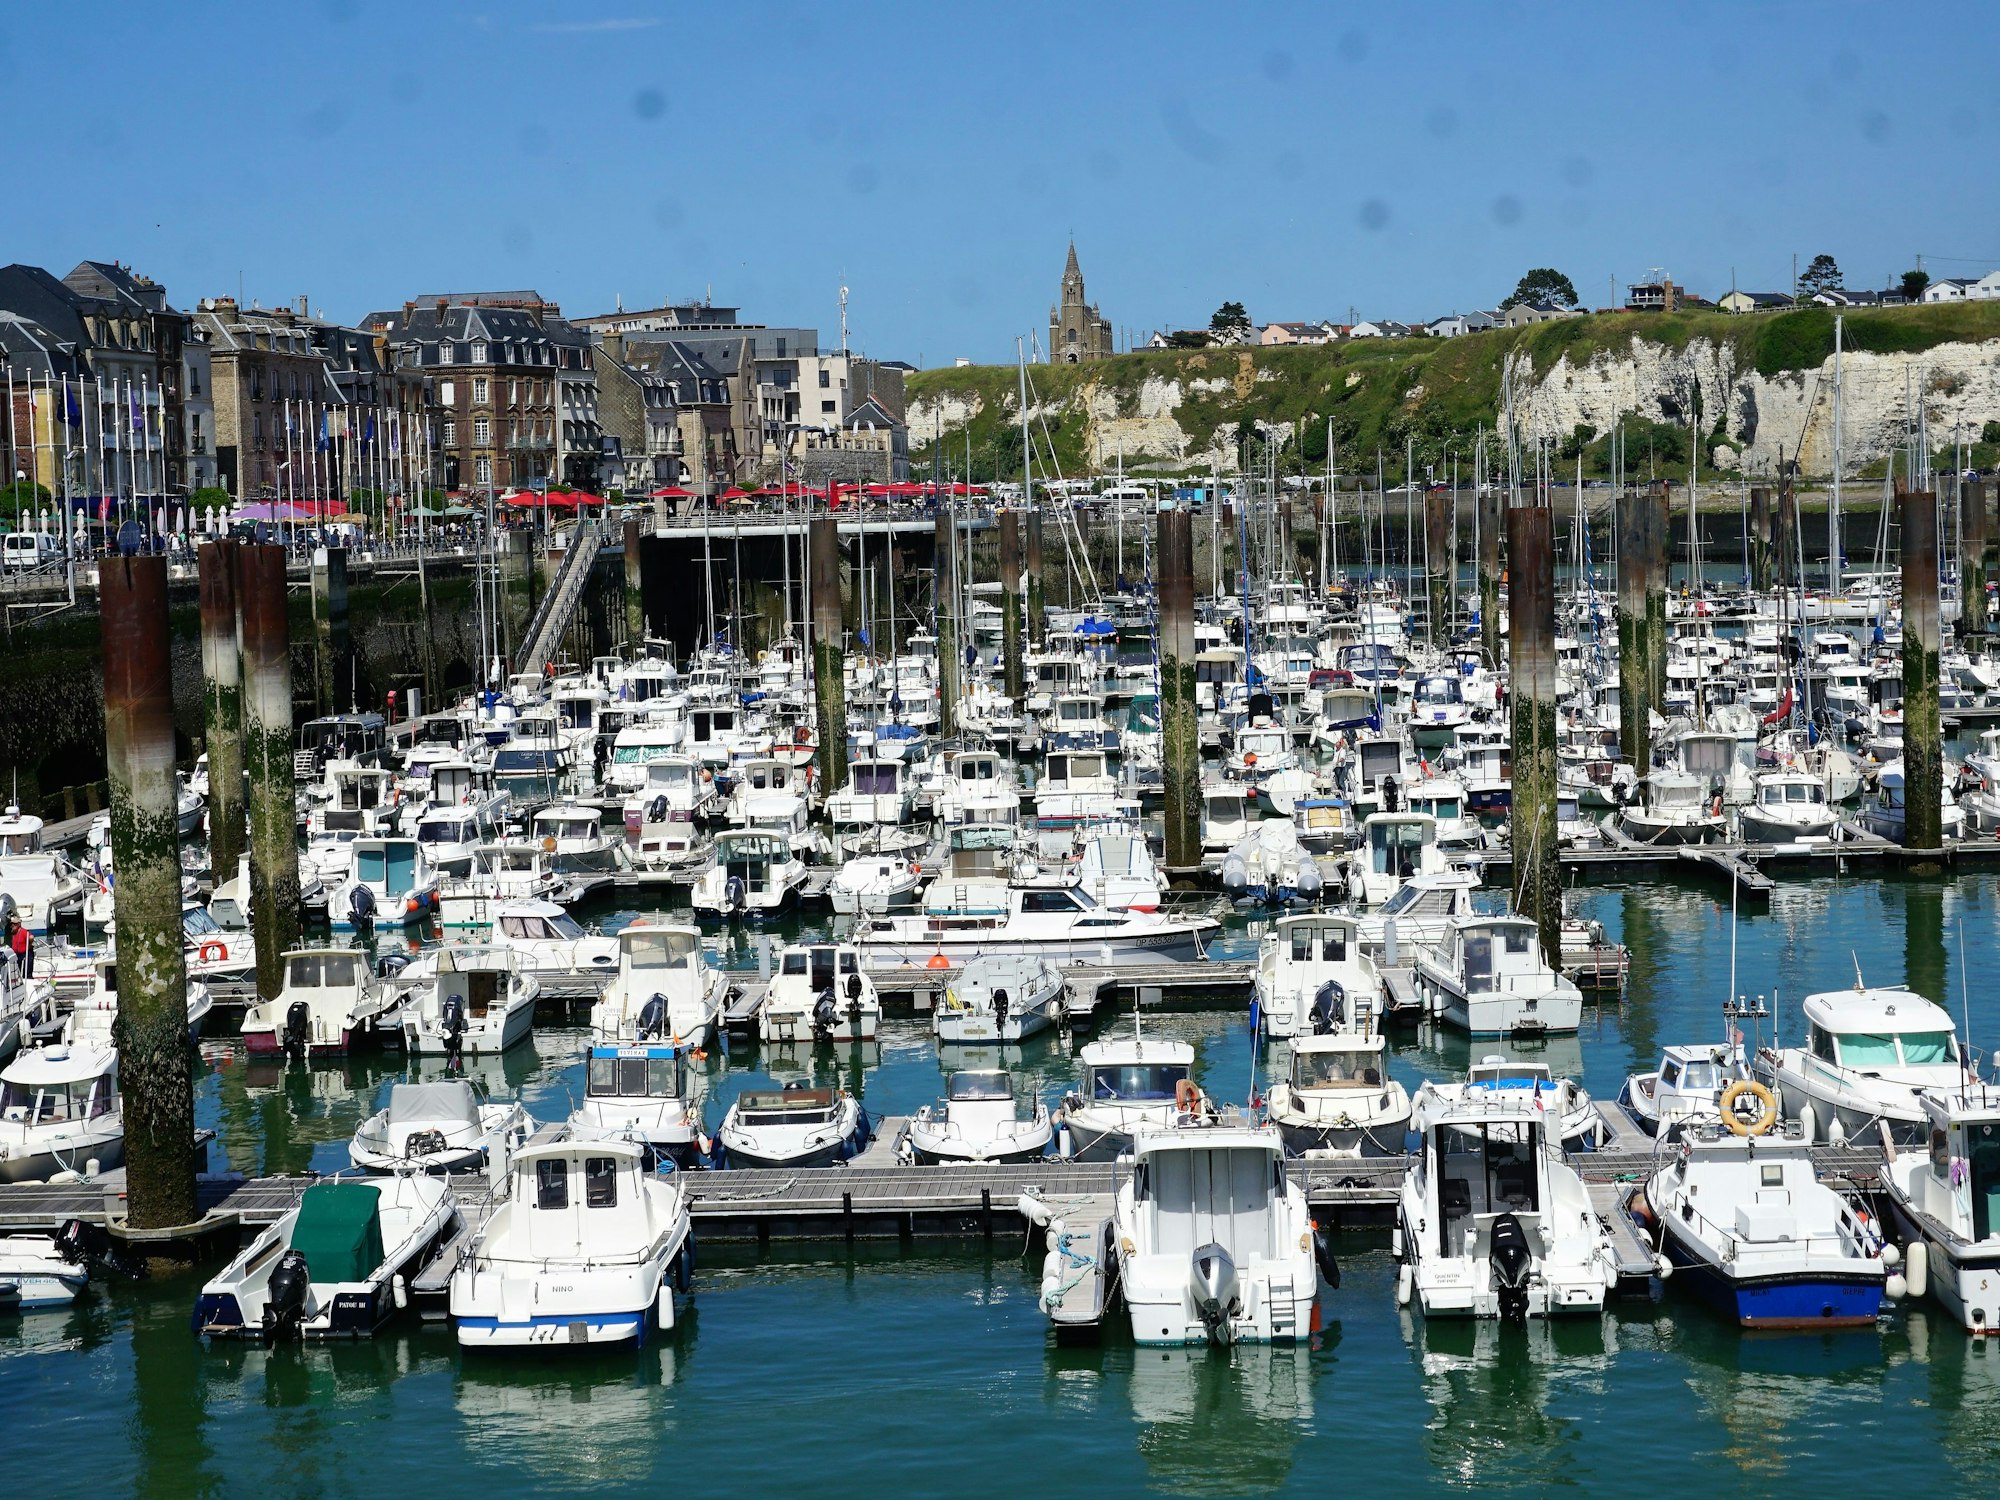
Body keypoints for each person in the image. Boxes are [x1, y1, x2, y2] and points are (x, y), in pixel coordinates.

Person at [5, 913, 29, 979]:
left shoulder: (24, 931)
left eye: (14, 924)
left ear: (18, 924)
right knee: (17, 971)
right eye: (12, 924)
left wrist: (28, 947)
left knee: (25, 971)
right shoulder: (12, 933)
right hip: (16, 955)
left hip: (24, 955)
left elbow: (31, 938)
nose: (13, 925)